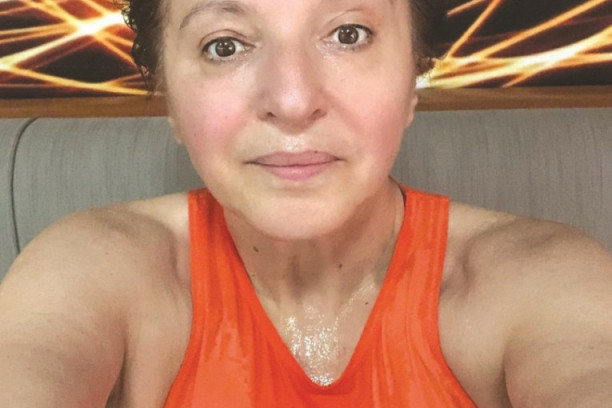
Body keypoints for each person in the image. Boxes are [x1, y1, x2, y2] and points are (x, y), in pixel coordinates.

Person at [1, 0, 611, 406]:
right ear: (170, 102)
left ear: (411, 83)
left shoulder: (542, 277)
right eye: (224, 45)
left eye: (349, 35)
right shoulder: (93, 265)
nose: (292, 101)